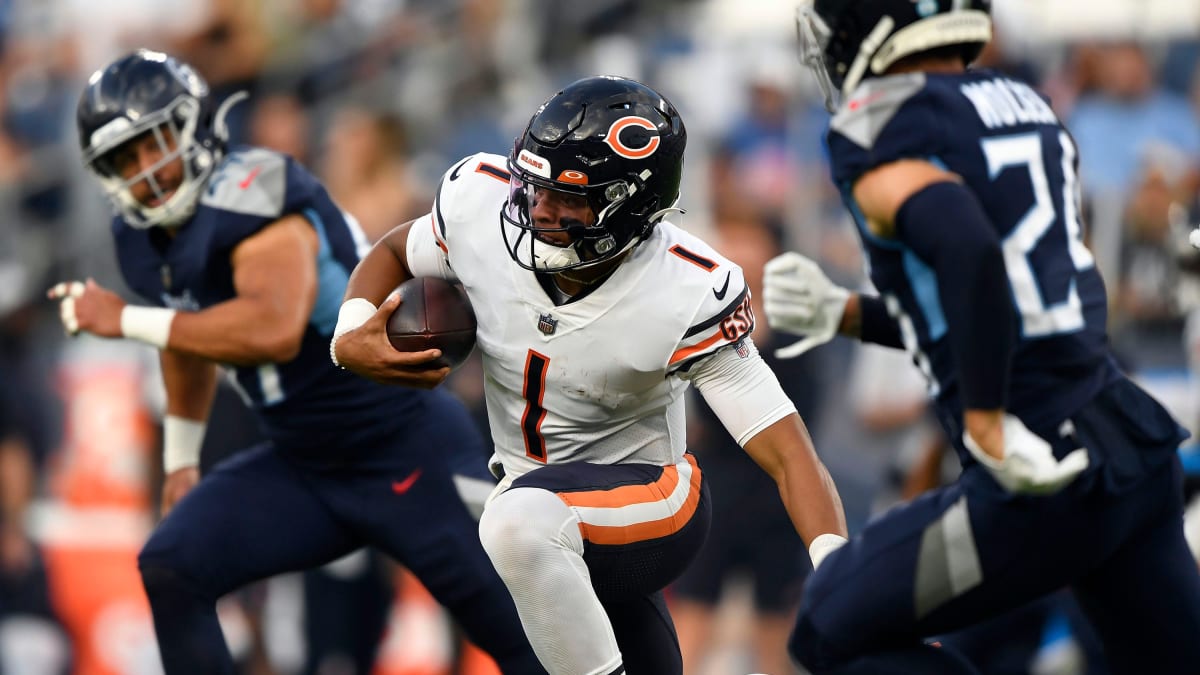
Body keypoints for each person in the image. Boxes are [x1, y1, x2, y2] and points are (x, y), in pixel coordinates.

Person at [47, 49, 545, 675]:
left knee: (526, 637)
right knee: (172, 563)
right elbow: (191, 336)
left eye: (153, 143)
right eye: (126, 158)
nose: (147, 171)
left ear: (193, 123)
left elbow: (272, 329)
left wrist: (121, 319)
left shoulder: (255, 193)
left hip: (401, 446)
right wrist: (180, 460)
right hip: (304, 464)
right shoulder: (142, 238)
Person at [331, 75, 848, 675]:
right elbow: (399, 249)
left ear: (634, 203)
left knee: (516, 522)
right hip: (542, 502)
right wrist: (350, 334)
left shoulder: (685, 288)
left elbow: (788, 451)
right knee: (531, 534)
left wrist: (839, 569)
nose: (540, 211)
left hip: (654, 500)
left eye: (568, 199)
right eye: (534, 188)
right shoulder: (479, 203)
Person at [764, 2, 1200, 673]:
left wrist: (987, 419)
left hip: (1038, 472)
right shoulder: (1024, 99)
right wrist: (850, 312)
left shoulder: (880, 119)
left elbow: (969, 251)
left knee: (826, 622)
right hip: (1128, 443)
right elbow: (1018, 299)